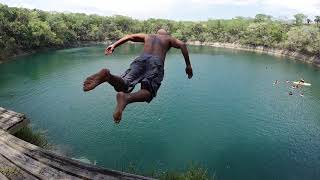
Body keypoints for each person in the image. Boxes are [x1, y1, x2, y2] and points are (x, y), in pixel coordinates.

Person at [83, 29, 193, 123]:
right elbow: (182, 45)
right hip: (155, 63)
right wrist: (188, 65)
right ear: (166, 34)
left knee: (124, 84)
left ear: (156, 33)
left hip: (141, 59)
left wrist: (113, 45)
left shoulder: (148, 36)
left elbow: (129, 37)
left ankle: (108, 76)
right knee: (148, 92)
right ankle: (126, 98)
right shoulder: (169, 38)